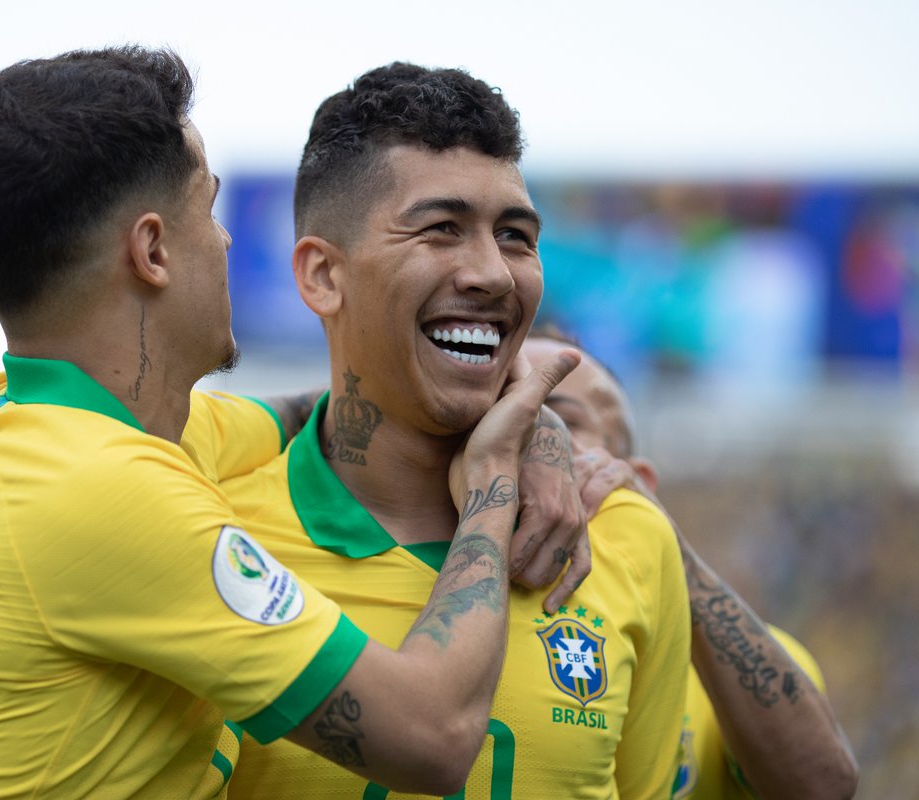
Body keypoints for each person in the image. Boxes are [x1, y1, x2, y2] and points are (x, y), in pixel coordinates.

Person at [0, 45, 582, 799]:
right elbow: (431, 737)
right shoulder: (106, 491)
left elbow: (301, 413)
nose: (226, 241)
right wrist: (493, 481)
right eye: (208, 210)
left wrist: (531, 415)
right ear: (152, 250)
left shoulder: (21, 417)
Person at [214, 63, 690, 798]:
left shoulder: (628, 537)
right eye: (442, 229)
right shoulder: (213, 534)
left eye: (515, 235)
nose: (494, 273)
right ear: (322, 277)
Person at [523, 326, 860, 799]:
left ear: (636, 478)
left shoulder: (738, 660)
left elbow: (823, 785)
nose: (533, 436)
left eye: (562, 420)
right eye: (511, 410)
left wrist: (659, 539)